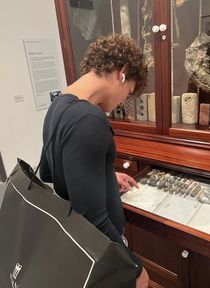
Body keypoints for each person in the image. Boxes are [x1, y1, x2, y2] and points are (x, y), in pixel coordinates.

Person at [39, 33, 149, 288]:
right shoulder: (89, 120)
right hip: (102, 254)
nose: (124, 100)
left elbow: (51, 171)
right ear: (122, 73)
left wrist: (104, 175)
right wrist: (134, 266)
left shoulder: (59, 105)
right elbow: (93, 218)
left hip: (75, 243)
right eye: (128, 92)